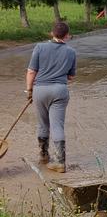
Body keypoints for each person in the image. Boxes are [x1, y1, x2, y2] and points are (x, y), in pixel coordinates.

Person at [25, 22, 77, 173]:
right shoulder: (71, 52)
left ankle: (43, 156)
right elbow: (71, 76)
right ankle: (60, 162)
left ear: (51, 33)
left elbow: (31, 71)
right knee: (57, 126)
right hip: (60, 91)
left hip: (40, 90)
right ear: (67, 35)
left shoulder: (40, 47)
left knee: (43, 124)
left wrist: (29, 90)